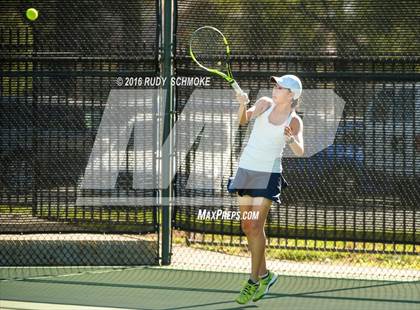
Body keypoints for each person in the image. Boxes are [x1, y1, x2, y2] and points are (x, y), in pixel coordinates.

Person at [228, 74, 305, 304]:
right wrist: (242, 104)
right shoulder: (263, 103)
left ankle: (252, 281)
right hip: (246, 170)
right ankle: (266, 275)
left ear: (291, 95)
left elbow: (300, 150)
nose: (275, 89)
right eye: (276, 86)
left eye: (281, 87)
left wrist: (290, 140)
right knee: (246, 226)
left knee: (254, 225)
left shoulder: (294, 120)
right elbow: (242, 120)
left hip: (269, 174)